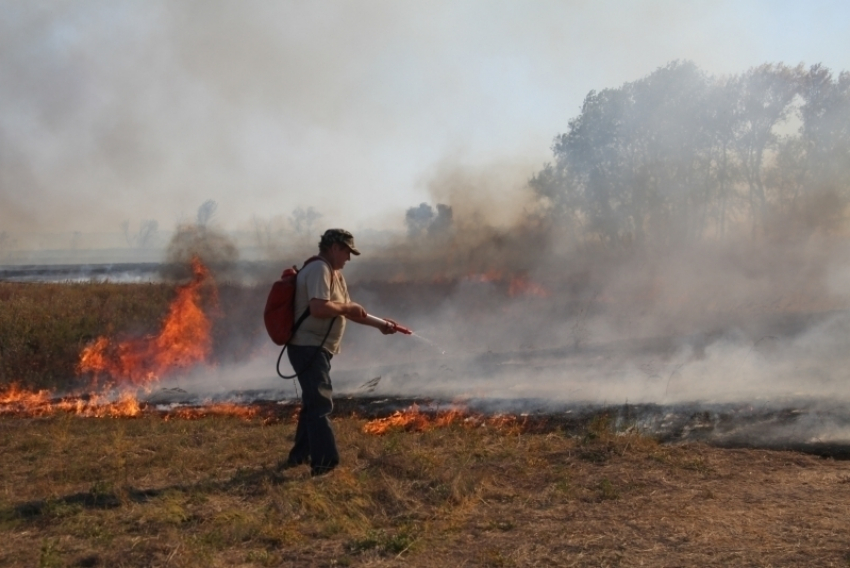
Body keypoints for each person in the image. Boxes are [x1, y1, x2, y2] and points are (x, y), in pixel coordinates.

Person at [282, 228, 399, 476]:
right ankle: (325, 463)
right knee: (320, 402)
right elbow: (319, 308)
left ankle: (299, 455)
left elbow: (350, 311)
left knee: (313, 402)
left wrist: (381, 325)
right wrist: (347, 307)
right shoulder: (319, 269)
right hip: (307, 346)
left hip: (318, 348)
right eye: (347, 252)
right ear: (334, 248)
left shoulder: (334, 274)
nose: (348, 258)